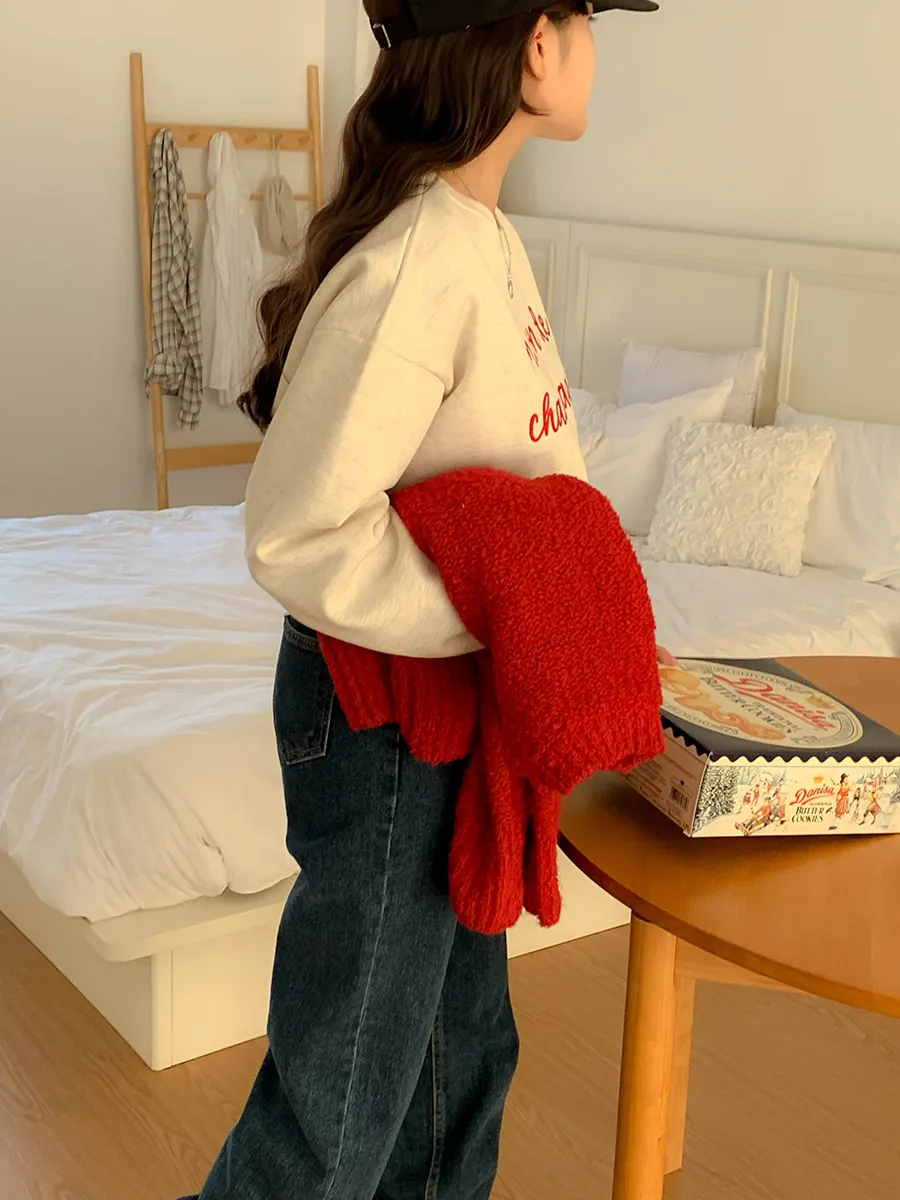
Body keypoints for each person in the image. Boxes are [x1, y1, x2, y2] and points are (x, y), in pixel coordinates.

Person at [183, 3, 663, 1198]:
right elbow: (297, 531)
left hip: (449, 713)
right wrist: (511, 607)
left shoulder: (480, 234)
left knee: (459, 1069)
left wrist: (530, 601)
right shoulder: (421, 260)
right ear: (537, 45)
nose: (596, 49)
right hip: (387, 717)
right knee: (339, 1111)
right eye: (588, 21)